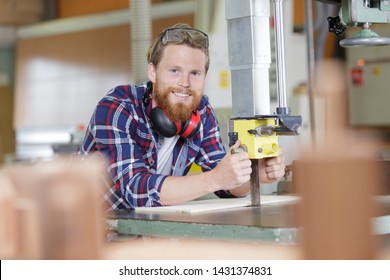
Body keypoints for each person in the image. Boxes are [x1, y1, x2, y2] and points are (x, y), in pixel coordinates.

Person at [78, 23, 286, 210]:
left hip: (140, 231)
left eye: (195, 73)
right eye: (175, 71)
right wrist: (213, 179)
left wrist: (254, 176)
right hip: (86, 233)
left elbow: (225, 185)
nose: (185, 83)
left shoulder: (201, 111)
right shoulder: (118, 107)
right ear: (153, 72)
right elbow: (135, 191)